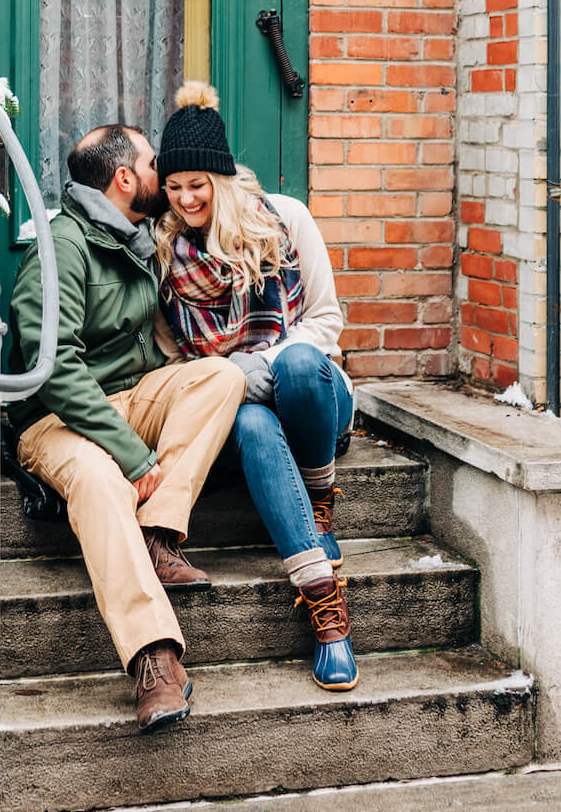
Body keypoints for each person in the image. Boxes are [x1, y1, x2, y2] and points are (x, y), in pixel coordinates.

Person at [7, 123, 244, 732]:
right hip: (55, 420)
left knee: (218, 378)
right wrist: (135, 459)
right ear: (124, 179)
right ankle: (154, 659)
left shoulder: (136, 238)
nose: (162, 174)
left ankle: (160, 535)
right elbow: (52, 367)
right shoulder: (64, 245)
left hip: (126, 398)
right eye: (151, 162)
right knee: (100, 479)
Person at [151, 82, 359, 691]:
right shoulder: (167, 255)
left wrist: (257, 365)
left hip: (312, 392)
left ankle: (319, 495)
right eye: (173, 186)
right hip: (239, 410)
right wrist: (231, 380)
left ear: (224, 178)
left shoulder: (284, 219)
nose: (186, 198)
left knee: (294, 365)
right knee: (246, 418)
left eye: (198, 184)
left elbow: (325, 322)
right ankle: (327, 610)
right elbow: (173, 359)